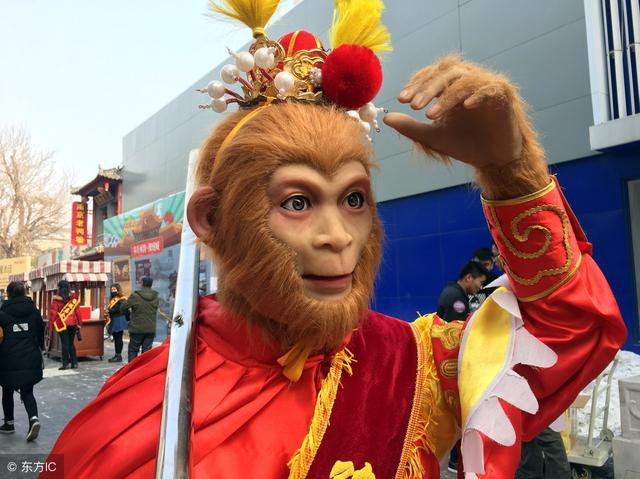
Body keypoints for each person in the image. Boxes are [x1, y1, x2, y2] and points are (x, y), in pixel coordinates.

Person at [48, 2, 627, 477]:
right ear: (210, 220)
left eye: (353, 200)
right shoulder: (132, 414)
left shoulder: (413, 367)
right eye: (297, 202)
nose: (337, 238)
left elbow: (573, 330)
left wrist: (512, 175)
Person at [0, 282, 44, 441]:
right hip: (30, 356)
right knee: (27, 391)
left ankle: (9, 423)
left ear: (9, 294)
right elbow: (41, 331)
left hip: (8, 358)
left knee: (7, 390)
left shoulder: (2, 312)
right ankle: (33, 418)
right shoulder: (33, 310)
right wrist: (40, 347)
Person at [122, 277, 159, 362]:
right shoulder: (156, 296)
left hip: (137, 328)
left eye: (139, 282)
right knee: (147, 353)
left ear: (142, 283)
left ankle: (132, 369)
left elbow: (123, 307)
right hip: (150, 328)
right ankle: (145, 369)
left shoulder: (135, 296)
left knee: (133, 350)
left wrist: (128, 314)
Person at [48, 280, 82, 370]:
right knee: (71, 343)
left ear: (59, 288)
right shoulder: (73, 299)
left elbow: (53, 313)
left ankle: (65, 364)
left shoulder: (56, 300)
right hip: (73, 323)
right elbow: (78, 312)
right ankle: (74, 363)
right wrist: (79, 323)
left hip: (61, 324)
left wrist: (50, 326)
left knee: (65, 344)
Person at [105, 283, 128, 363]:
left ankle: (118, 355)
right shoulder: (113, 298)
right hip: (114, 319)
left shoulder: (122, 298)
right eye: (112, 289)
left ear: (118, 290)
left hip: (119, 319)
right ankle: (117, 354)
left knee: (118, 338)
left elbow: (120, 309)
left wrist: (110, 310)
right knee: (116, 337)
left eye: (114, 289)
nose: (113, 291)